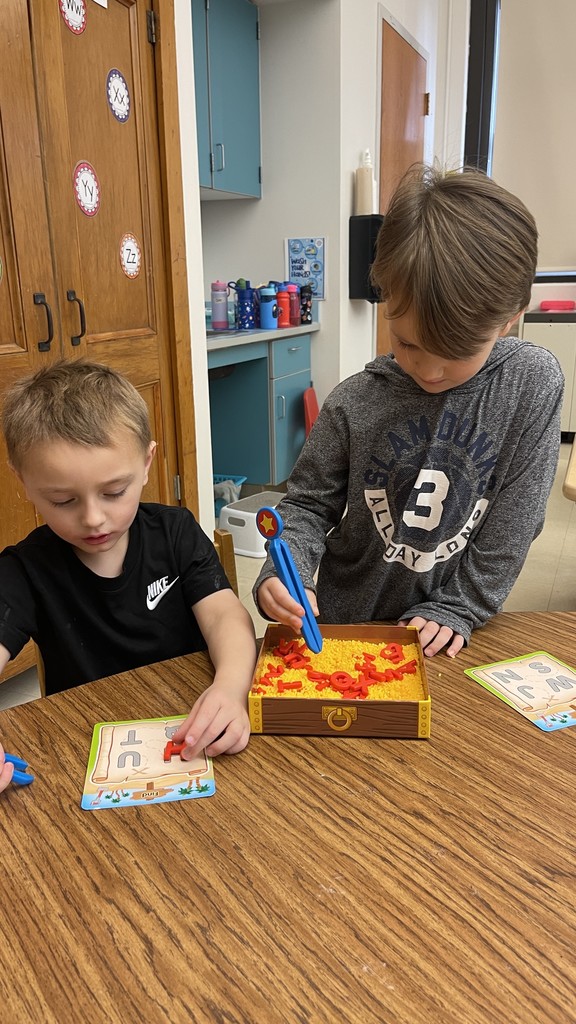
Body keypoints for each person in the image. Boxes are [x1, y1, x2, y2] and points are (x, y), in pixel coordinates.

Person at [254, 164, 564, 658]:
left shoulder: (531, 383)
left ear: (509, 320)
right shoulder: (355, 401)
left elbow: (516, 521)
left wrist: (461, 605)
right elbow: (308, 506)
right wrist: (284, 569)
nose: (431, 370)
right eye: (408, 343)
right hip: (343, 623)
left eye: (457, 353)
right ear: (385, 298)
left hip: (452, 628)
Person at [0, 360, 257, 784]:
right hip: (89, 749)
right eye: (63, 501)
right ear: (22, 481)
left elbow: (225, 615)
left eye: (114, 492)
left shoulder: (175, 532)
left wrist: (231, 688)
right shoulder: (24, 569)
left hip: (193, 726)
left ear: (146, 463)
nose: (94, 518)